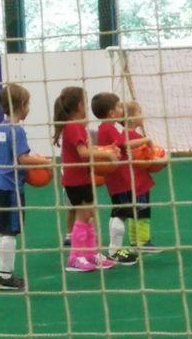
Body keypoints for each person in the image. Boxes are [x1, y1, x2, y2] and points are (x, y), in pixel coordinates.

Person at [0, 83, 51, 290]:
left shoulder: (1, 127)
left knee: (2, 230)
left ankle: (3, 273)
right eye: (28, 104)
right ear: (22, 105)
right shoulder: (17, 130)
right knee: (10, 232)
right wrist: (46, 163)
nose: (29, 108)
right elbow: (21, 159)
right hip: (10, 188)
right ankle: (4, 277)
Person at [53, 86, 118, 272]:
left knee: (89, 216)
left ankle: (91, 254)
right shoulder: (73, 126)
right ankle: (75, 257)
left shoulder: (76, 126)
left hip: (83, 178)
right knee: (82, 218)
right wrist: (105, 155)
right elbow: (82, 153)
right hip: (75, 181)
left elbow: (86, 150)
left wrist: (106, 149)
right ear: (80, 105)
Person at [91, 93, 153, 265]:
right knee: (120, 212)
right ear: (111, 113)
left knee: (122, 211)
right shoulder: (108, 128)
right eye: (119, 106)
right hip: (119, 177)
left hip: (119, 176)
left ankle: (115, 250)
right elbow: (124, 144)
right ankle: (114, 250)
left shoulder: (108, 127)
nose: (121, 109)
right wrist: (145, 140)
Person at [123, 101, 162, 252]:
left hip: (130, 181)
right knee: (143, 210)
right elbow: (144, 159)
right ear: (131, 118)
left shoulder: (127, 135)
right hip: (138, 181)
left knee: (134, 211)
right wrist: (160, 160)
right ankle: (143, 242)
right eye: (139, 112)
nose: (142, 115)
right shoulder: (133, 137)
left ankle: (134, 241)